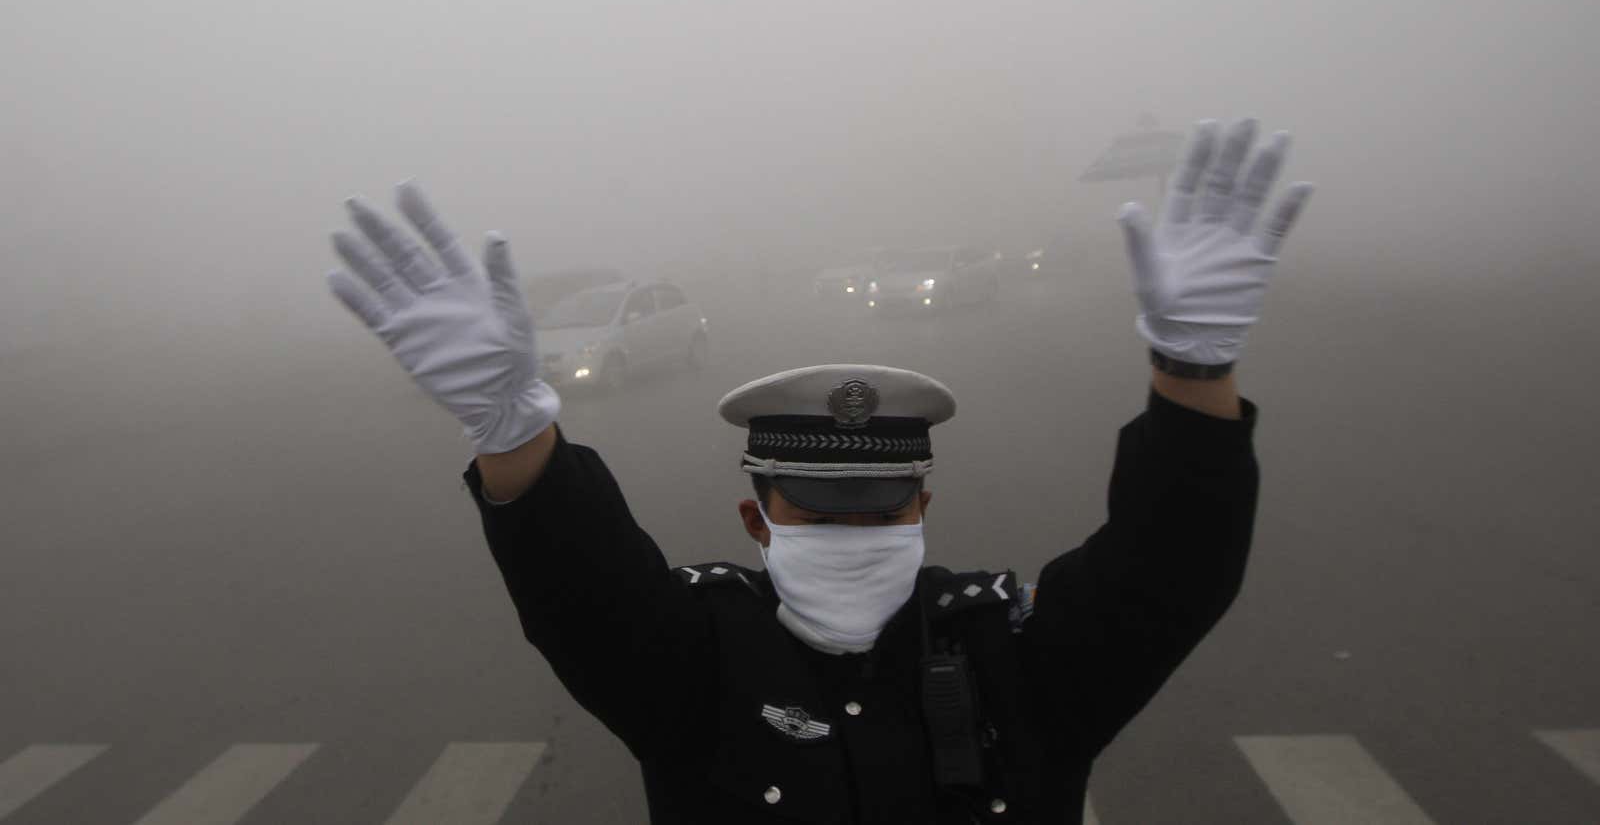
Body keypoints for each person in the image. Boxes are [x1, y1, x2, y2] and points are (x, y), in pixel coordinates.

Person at [325, 117, 1313, 824]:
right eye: (814, 506)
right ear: (757, 523)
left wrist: (1195, 371)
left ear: (921, 506)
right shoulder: (692, 669)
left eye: (878, 507)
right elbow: (578, 585)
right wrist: (508, 427)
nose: (853, 530)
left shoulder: (1011, 660)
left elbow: (1170, 569)